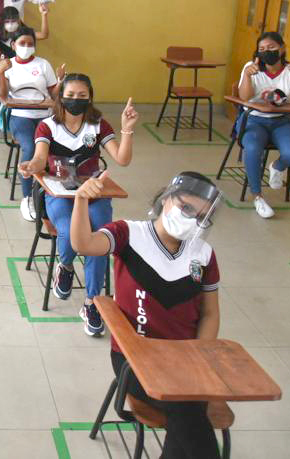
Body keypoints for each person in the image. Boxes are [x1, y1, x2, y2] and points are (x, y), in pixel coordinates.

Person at [70, 171, 224, 459]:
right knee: (188, 409)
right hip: (135, 360)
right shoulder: (129, 234)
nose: (191, 219)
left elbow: (210, 314)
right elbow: (84, 244)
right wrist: (80, 200)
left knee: (187, 411)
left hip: (186, 361)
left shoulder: (203, 254)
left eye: (201, 217)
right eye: (186, 208)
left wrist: (199, 356)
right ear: (166, 199)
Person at [18, 74, 139, 335]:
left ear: (90, 98)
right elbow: (40, 158)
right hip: (59, 193)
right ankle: (65, 266)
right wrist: (31, 166)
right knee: (67, 232)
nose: (75, 100)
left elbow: (122, 159)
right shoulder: (47, 126)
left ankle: (92, 302)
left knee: (99, 239)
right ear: (61, 97)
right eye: (70, 95)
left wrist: (127, 129)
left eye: (82, 96)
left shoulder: (98, 125)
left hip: (93, 192)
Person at [236, 31, 290, 219]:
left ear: (282, 49)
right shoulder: (251, 67)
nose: (266, 52)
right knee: (252, 148)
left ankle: (277, 167)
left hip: (282, 120)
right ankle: (257, 197)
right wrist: (247, 76)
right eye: (262, 49)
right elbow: (244, 97)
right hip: (253, 119)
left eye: (271, 47)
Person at [0, 27, 59, 221]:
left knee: (53, 147)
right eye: (22, 43)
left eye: (30, 44)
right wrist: (0, 72)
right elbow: (3, 96)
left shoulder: (43, 64)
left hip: (44, 115)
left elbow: (54, 94)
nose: (26, 47)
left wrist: (60, 81)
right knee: (30, 147)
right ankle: (27, 197)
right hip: (19, 115)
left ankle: (52, 192)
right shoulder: (9, 65)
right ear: (13, 45)